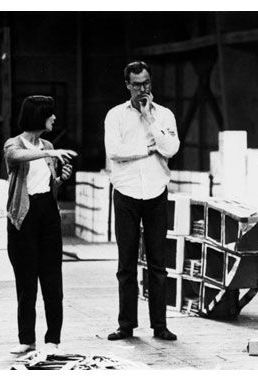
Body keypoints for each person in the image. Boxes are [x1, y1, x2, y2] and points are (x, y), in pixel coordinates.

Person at [104, 61, 180, 341]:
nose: (142, 89)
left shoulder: (165, 115)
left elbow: (171, 148)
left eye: (146, 83)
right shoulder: (115, 116)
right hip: (126, 193)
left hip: (156, 192)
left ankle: (159, 325)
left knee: (158, 264)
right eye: (136, 85)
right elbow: (114, 152)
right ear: (127, 85)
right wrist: (147, 149)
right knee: (126, 264)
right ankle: (126, 325)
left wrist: (150, 120)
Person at [4, 95, 77, 355]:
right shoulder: (14, 144)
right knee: (26, 283)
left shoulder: (47, 144)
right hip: (24, 216)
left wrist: (60, 179)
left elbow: (48, 185)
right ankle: (27, 339)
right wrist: (49, 152)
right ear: (38, 116)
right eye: (50, 113)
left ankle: (53, 340)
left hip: (48, 213)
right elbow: (16, 156)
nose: (55, 118)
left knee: (52, 282)